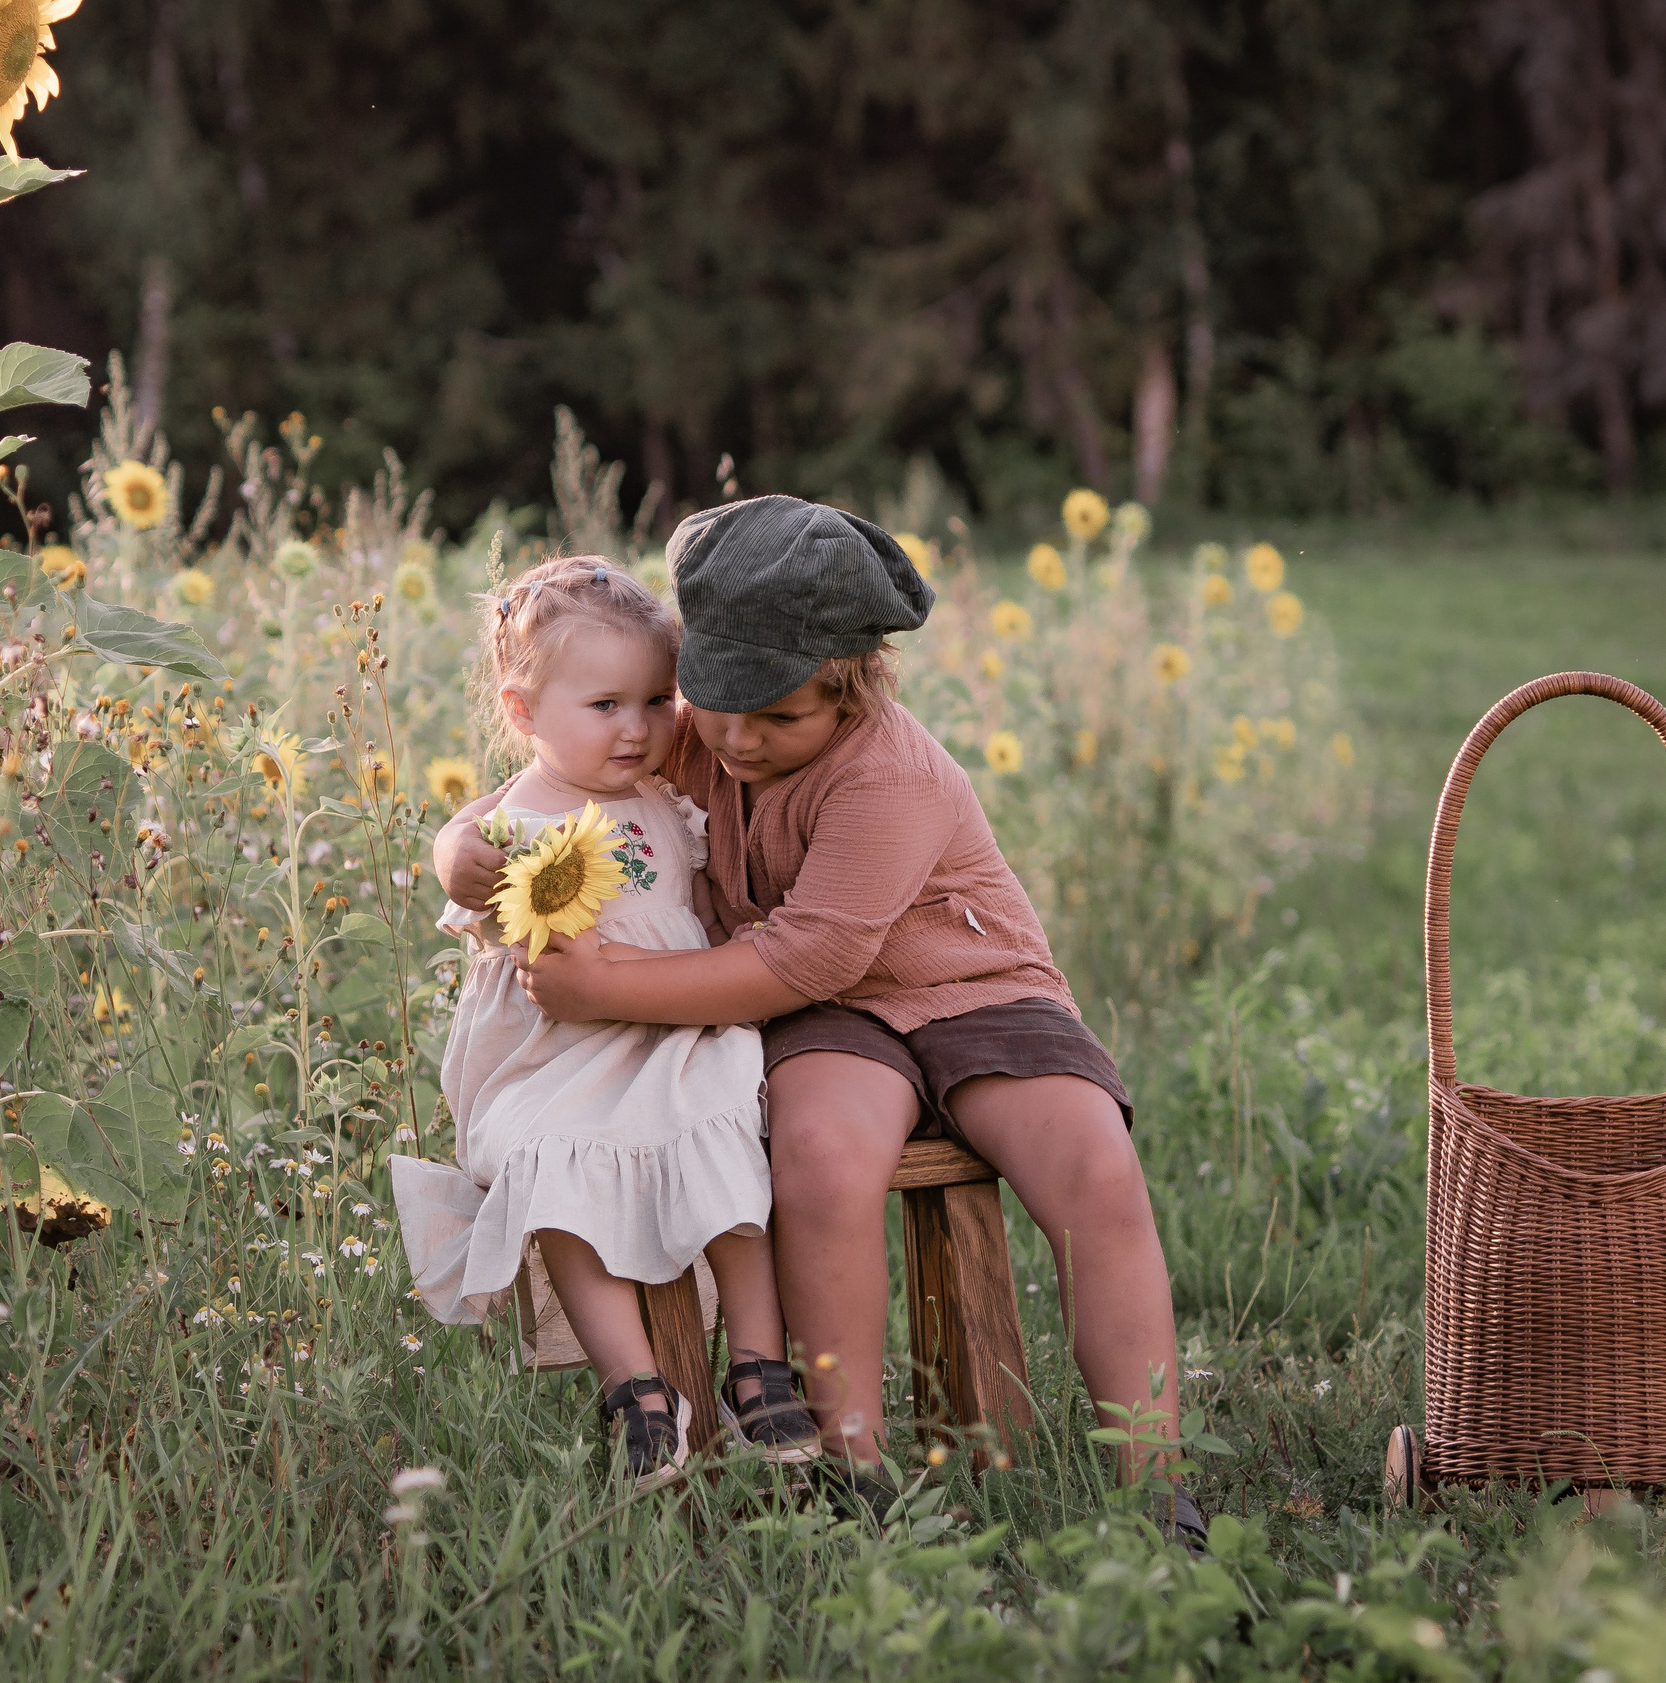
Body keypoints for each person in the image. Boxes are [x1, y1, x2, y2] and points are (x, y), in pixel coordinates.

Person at [434, 499, 1193, 1530]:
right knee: (823, 1155)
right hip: (831, 1017)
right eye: (716, 703)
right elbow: (533, 791)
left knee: (1093, 1165)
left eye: (779, 718)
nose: (736, 740)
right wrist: (459, 848)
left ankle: (1155, 1485)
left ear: (856, 686)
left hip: (974, 986)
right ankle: (851, 1462)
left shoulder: (891, 775)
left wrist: (603, 986)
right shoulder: (690, 728)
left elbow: (808, 954)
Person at [390, 552, 823, 1489]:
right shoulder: (509, 828)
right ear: (521, 713)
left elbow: (707, 915)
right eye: (604, 706)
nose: (637, 728)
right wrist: (454, 849)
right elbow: (483, 891)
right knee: (555, 1178)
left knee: (730, 1137)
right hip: (560, 1057)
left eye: (657, 700)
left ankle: (759, 1363)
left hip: (680, 1038)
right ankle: (637, 1390)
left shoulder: (669, 800)